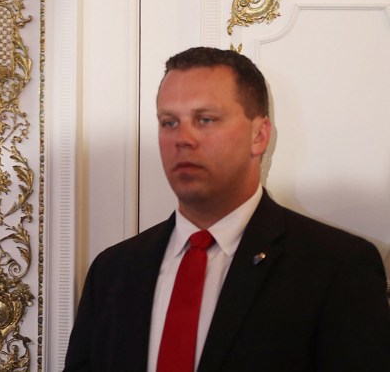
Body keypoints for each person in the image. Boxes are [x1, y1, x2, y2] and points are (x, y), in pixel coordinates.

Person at [64, 47, 390, 371]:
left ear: (259, 135)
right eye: (169, 122)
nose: (183, 139)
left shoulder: (338, 268)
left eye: (205, 120)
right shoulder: (112, 272)